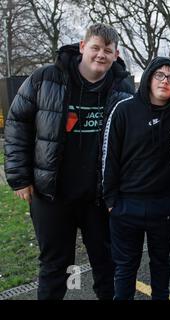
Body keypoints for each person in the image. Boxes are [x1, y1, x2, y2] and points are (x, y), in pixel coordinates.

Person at [4, 23, 134, 300]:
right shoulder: (46, 78)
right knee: (54, 266)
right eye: (96, 47)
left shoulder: (122, 86)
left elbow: (132, 137)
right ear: (82, 46)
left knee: (106, 263)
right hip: (52, 193)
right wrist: (20, 177)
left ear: (116, 54)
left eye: (107, 51)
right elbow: (17, 124)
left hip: (99, 197)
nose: (101, 55)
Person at [102, 57, 170, 300]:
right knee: (125, 268)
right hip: (126, 206)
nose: (165, 81)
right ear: (148, 77)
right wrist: (110, 200)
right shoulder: (125, 109)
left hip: (164, 206)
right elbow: (109, 155)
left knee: (161, 264)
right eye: (159, 75)